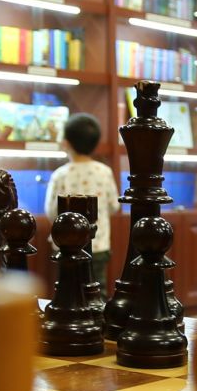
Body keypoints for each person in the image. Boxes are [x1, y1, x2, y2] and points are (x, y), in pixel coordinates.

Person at [43, 112, 121, 287]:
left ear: (66, 143)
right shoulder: (104, 171)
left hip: (66, 247)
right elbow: (114, 206)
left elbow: (51, 212)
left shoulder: (60, 175)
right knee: (97, 288)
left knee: (68, 288)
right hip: (99, 244)